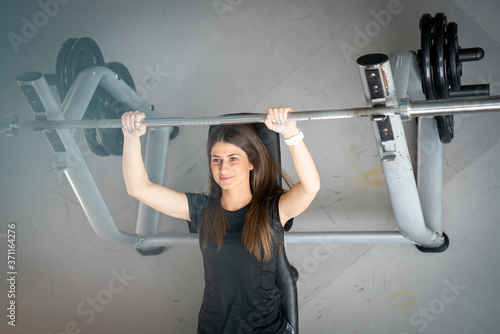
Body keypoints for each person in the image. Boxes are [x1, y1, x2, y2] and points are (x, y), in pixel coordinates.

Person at [121, 107, 320, 334]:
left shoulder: (272, 210)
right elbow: (138, 188)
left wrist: (291, 134)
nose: (223, 168)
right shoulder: (202, 209)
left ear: (252, 163)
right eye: (217, 160)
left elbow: (310, 187)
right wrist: (131, 137)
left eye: (233, 158)